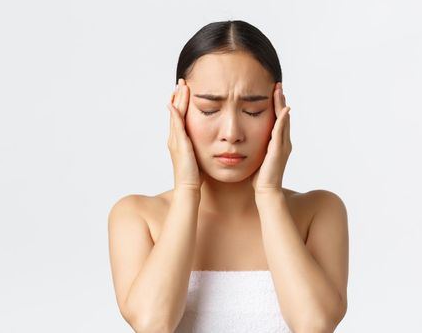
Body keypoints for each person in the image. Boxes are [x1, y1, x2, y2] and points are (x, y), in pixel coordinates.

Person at [108, 20, 349, 333]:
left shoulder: (319, 212)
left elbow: (314, 324)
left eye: (253, 111)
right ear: (179, 111)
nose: (232, 133)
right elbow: (154, 324)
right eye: (209, 109)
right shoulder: (137, 217)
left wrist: (269, 195)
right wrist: (187, 189)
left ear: (278, 113)